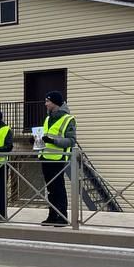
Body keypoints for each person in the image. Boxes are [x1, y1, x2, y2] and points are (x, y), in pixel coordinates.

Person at [38, 91, 76, 226]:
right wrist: (36, 141)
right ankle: (52, 215)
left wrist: (53, 141)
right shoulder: (48, 118)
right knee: (50, 189)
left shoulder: (68, 119)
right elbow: (45, 136)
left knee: (58, 188)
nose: (45, 104)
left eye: (47, 101)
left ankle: (62, 217)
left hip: (58, 158)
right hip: (45, 157)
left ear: (54, 103)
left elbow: (71, 141)